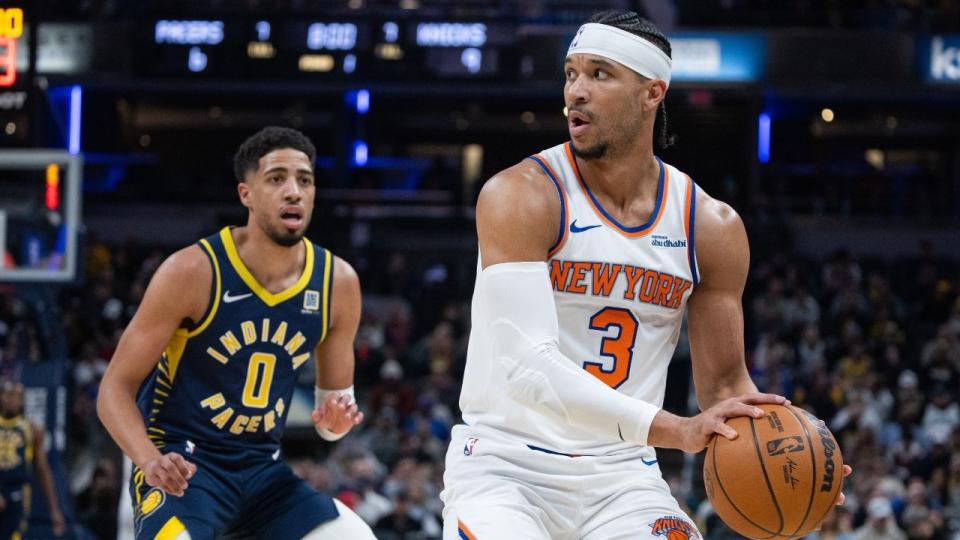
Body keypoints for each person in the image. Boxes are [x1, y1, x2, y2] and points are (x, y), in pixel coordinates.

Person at [441, 10, 848, 539]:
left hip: (622, 477)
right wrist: (673, 430)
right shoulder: (521, 194)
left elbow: (725, 386)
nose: (576, 91)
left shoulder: (709, 225)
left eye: (599, 74)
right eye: (571, 73)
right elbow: (528, 370)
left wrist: (794, 455)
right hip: (507, 469)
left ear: (652, 92)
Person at [97, 127, 376, 539]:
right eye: (277, 178)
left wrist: (335, 421)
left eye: (305, 179)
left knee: (354, 536)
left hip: (261, 470)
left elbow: (330, 424)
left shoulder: (338, 282)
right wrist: (148, 460)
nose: (294, 191)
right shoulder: (193, 271)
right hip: (184, 466)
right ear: (245, 194)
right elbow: (113, 390)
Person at [0, 380, 66, 539]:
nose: (14, 400)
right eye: (10, 395)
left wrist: (54, 510)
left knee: (14, 535)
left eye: (19, 396)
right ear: (2, 397)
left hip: (18, 491)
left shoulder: (32, 430)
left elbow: (43, 471)